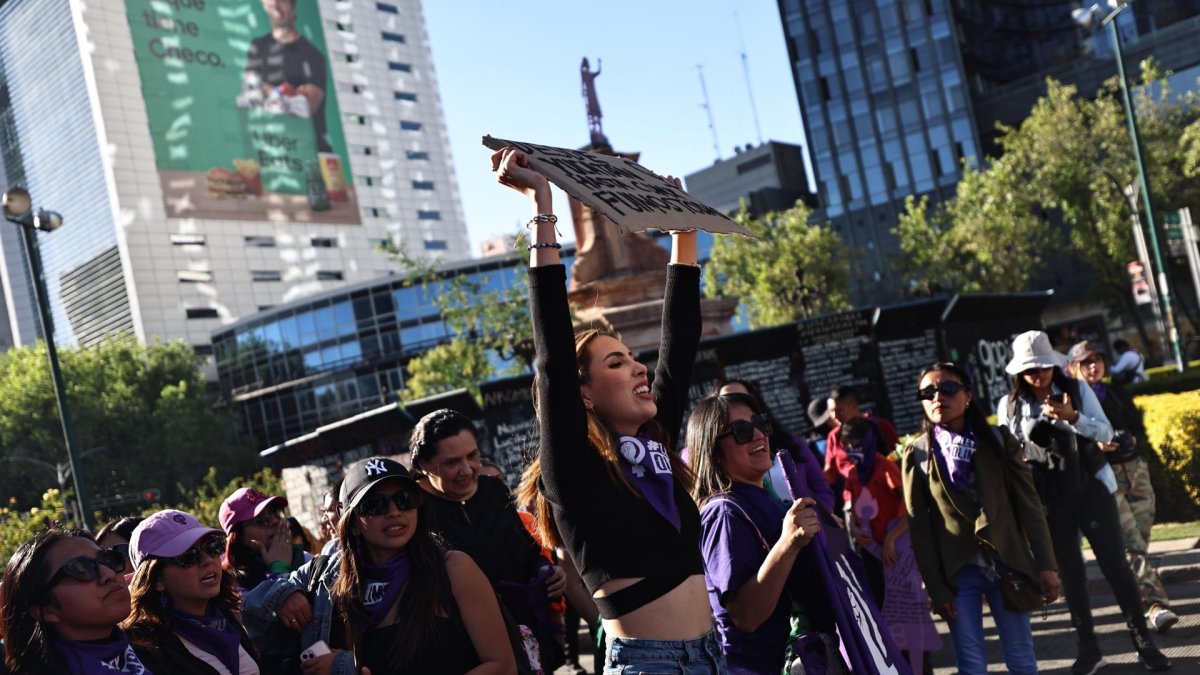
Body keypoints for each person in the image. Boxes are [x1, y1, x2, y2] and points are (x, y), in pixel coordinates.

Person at [496, 146, 724, 672]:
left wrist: (683, 229)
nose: (641, 369)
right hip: (649, 663)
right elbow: (553, 350)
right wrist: (542, 205)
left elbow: (681, 342)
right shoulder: (575, 469)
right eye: (618, 364)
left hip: (713, 657)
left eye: (634, 359)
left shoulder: (655, 445)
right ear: (585, 394)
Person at [998, 331, 1169, 673]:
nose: (1039, 375)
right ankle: (1088, 649)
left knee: (1116, 567)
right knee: (1071, 576)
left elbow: (1106, 433)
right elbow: (1010, 455)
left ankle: (1143, 642)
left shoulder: (1075, 389)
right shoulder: (1010, 405)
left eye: (1045, 366)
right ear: (1018, 373)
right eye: (1031, 370)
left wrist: (1071, 418)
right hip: (1049, 498)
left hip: (1091, 487)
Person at [903, 362, 1059, 675]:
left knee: (1021, 660)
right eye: (928, 392)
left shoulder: (998, 441)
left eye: (947, 388)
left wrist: (1046, 565)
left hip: (1007, 564)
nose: (938, 397)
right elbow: (918, 528)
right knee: (971, 665)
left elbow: (1029, 506)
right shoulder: (918, 453)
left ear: (968, 396)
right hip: (959, 573)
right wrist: (936, 588)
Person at [409, 408, 566, 671]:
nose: (466, 469)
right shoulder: (412, 510)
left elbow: (526, 553)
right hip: (467, 650)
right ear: (423, 466)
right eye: (451, 462)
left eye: (472, 456)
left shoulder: (493, 490)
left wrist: (546, 571)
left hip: (526, 636)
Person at [329, 455, 517, 674]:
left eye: (405, 498)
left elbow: (503, 666)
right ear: (351, 523)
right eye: (374, 504)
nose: (394, 512)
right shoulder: (346, 593)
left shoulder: (454, 568)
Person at [687, 392, 830, 675]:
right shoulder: (724, 512)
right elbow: (746, 615)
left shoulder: (763, 497)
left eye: (760, 423)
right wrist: (788, 544)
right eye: (741, 431)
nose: (758, 435)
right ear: (713, 449)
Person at [1067, 340, 1179, 633]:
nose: (1094, 366)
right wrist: (1097, 446)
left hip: (1135, 469)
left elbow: (1136, 424)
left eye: (1098, 360)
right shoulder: (1071, 402)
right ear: (1072, 368)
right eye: (1086, 362)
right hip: (1105, 477)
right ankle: (1155, 606)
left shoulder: (1116, 391)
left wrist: (1134, 439)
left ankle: (1136, 597)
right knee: (1131, 544)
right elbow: (1070, 445)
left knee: (1139, 540)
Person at [123, 509, 262, 675]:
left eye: (212, 547)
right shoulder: (145, 646)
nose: (207, 561)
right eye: (188, 556)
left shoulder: (226, 616)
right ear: (157, 579)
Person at [1, 529, 154, 674]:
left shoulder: (154, 651)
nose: (109, 574)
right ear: (46, 609)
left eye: (108, 560)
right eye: (81, 569)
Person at [715, 379, 835, 514]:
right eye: (728, 399)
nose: (758, 436)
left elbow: (822, 488)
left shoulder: (792, 445)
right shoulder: (726, 510)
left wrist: (819, 519)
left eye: (744, 398)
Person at [244, 0, 330, 151]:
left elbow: (306, 107)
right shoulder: (258, 46)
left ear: (293, 6)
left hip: (310, 153)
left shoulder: (311, 55)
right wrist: (286, 94)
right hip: (272, 148)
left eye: (282, 1)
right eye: (271, 1)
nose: (276, 6)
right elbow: (250, 90)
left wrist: (267, 91)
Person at [220, 488, 307, 594]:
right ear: (239, 538)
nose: (274, 521)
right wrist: (278, 572)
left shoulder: (305, 558)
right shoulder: (233, 588)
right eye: (260, 521)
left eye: (275, 513)